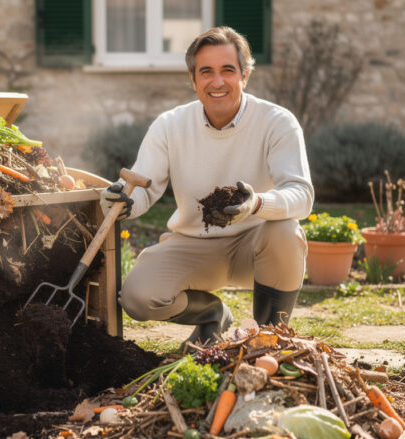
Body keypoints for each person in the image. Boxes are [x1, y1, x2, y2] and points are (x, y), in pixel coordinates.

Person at [100, 26, 313, 348]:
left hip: (256, 245)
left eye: (228, 70)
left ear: (244, 75)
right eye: (206, 72)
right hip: (194, 245)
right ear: (193, 79)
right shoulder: (170, 125)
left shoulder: (277, 121)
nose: (217, 82)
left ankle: (268, 340)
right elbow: (144, 184)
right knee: (137, 297)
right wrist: (126, 200)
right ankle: (213, 315)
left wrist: (255, 203)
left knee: (286, 231)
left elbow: (301, 194)